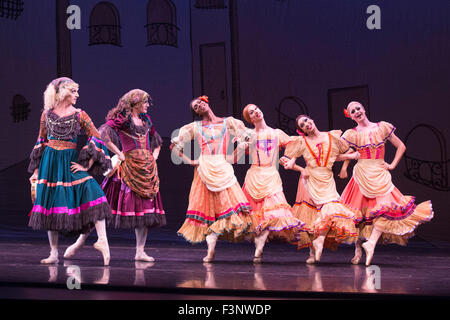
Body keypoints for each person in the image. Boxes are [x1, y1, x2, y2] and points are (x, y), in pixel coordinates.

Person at [64, 89, 165, 262]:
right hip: (127, 170)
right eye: (145, 102)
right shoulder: (122, 121)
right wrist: (119, 152)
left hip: (146, 170)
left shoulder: (146, 120)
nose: (148, 105)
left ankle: (140, 251)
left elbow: (156, 141)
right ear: (136, 103)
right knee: (102, 209)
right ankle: (80, 241)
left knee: (144, 213)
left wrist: (153, 157)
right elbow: (103, 134)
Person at [28, 77, 112, 265]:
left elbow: (96, 138)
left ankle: (102, 241)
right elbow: (41, 141)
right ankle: (53, 253)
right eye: (73, 91)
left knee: (93, 191)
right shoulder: (47, 114)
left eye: (76, 91)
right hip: (50, 162)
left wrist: (88, 165)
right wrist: (35, 170)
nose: (77, 95)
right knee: (51, 204)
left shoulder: (80, 115)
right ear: (61, 92)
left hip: (69, 161)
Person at [338, 101, 434, 266]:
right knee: (359, 214)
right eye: (352, 111)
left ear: (364, 109)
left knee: (386, 209)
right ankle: (358, 248)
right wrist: (348, 159)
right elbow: (336, 154)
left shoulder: (381, 127)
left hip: (380, 173)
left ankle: (371, 243)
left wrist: (392, 165)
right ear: (351, 116)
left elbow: (401, 146)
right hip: (362, 174)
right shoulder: (352, 134)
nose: (356, 112)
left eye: (358, 108)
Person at [170, 95, 253, 262]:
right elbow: (174, 146)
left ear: (206, 102)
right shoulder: (195, 127)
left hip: (223, 166)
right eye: (195, 107)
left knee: (231, 210)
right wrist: (190, 161)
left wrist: (242, 144)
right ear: (196, 112)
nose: (199, 106)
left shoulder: (228, 122)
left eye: (200, 103)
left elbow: (247, 136)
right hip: (204, 169)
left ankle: (256, 246)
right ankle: (210, 251)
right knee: (208, 212)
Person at [280, 114, 360, 263]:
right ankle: (313, 250)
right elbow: (287, 160)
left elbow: (335, 156)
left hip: (327, 178)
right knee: (314, 213)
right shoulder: (302, 142)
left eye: (306, 121)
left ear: (312, 119)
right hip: (311, 179)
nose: (306, 124)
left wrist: (352, 155)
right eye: (302, 125)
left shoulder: (331, 137)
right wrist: (297, 167)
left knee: (328, 211)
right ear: (302, 130)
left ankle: (319, 242)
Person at [240, 104, 306, 263]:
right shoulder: (249, 134)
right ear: (250, 119)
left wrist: (290, 159)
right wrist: (243, 146)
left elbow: (295, 143)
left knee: (272, 213)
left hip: (271, 176)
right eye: (251, 112)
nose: (256, 112)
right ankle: (259, 243)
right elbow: (242, 151)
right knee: (256, 217)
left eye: (256, 109)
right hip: (254, 176)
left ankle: (259, 246)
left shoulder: (277, 133)